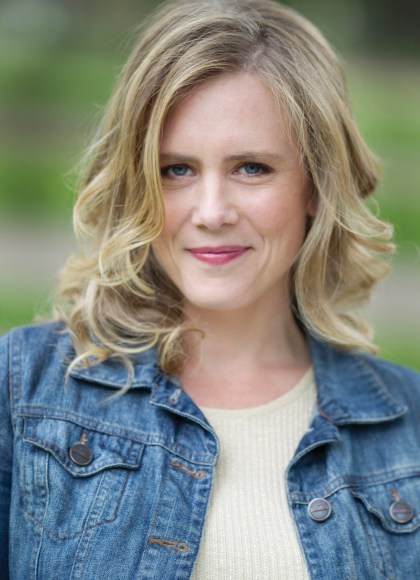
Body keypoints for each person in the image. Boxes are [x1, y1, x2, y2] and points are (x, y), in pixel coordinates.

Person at [1, 0, 419, 577]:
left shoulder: (408, 427)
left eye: (251, 168)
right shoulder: (24, 388)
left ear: (317, 186)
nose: (212, 212)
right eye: (177, 169)